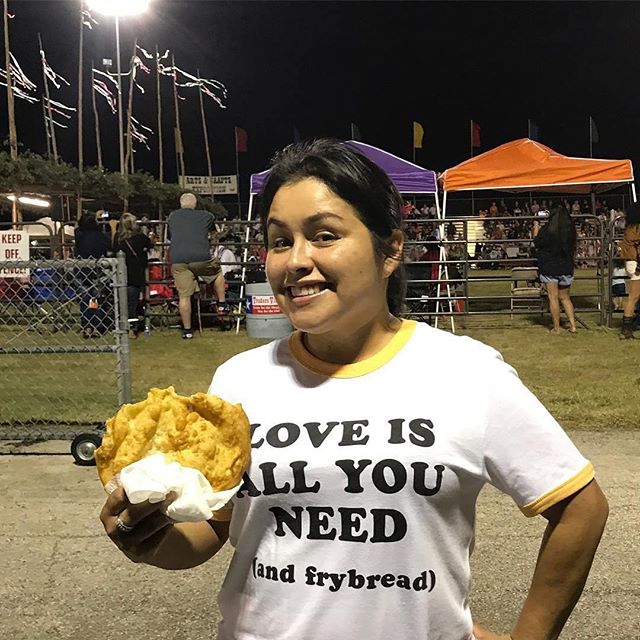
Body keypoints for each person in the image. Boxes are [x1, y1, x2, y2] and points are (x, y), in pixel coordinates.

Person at [100, 140, 608, 640]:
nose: (296, 261)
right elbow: (211, 528)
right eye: (280, 241)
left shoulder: (467, 372)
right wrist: (146, 536)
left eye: (324, 235)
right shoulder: (239, 381)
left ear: (390, 248)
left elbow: (581, 508)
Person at [167, 192, 226, 339]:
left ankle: (187, 330)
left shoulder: (172, 216)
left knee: (184, 296)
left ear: (181, 204)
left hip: (179, 259)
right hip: (200, 257)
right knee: (217, 272)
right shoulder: (206, 216)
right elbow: (214, 231)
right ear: (194, 204)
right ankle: (222, 303)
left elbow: (170, 236)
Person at [533, 206, 578, 334]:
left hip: (549, 267)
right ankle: (573, 325)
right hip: (566, 266)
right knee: (565, 298)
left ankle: (556, 327)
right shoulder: (570, 230)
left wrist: (536, 225)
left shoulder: (547, 230)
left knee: (553, 298)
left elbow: (537, 242)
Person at [112, 213, 153, 338]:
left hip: (121, 274)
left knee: (120, 302)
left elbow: (113, 250)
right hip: (136, 274)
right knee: (132, 304)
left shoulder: (118, 238)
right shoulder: (139, 237)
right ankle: (132, 328)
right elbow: (150, 244)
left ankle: (120, 325)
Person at [75, 212, 111, 338]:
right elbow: (109, 244)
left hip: (81, 271)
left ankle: (87, 326)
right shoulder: (99, 235)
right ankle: (96, 325)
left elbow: (78, 228)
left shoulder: (79, 235)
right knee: (95, 300)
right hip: (96, 272)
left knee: (85, 300)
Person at [618, 201, 640, 338]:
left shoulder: (630, 227)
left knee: (634, 296)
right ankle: (626, 329)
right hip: (636, 262)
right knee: (633, 296)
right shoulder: (637, 229)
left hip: (632, 262)